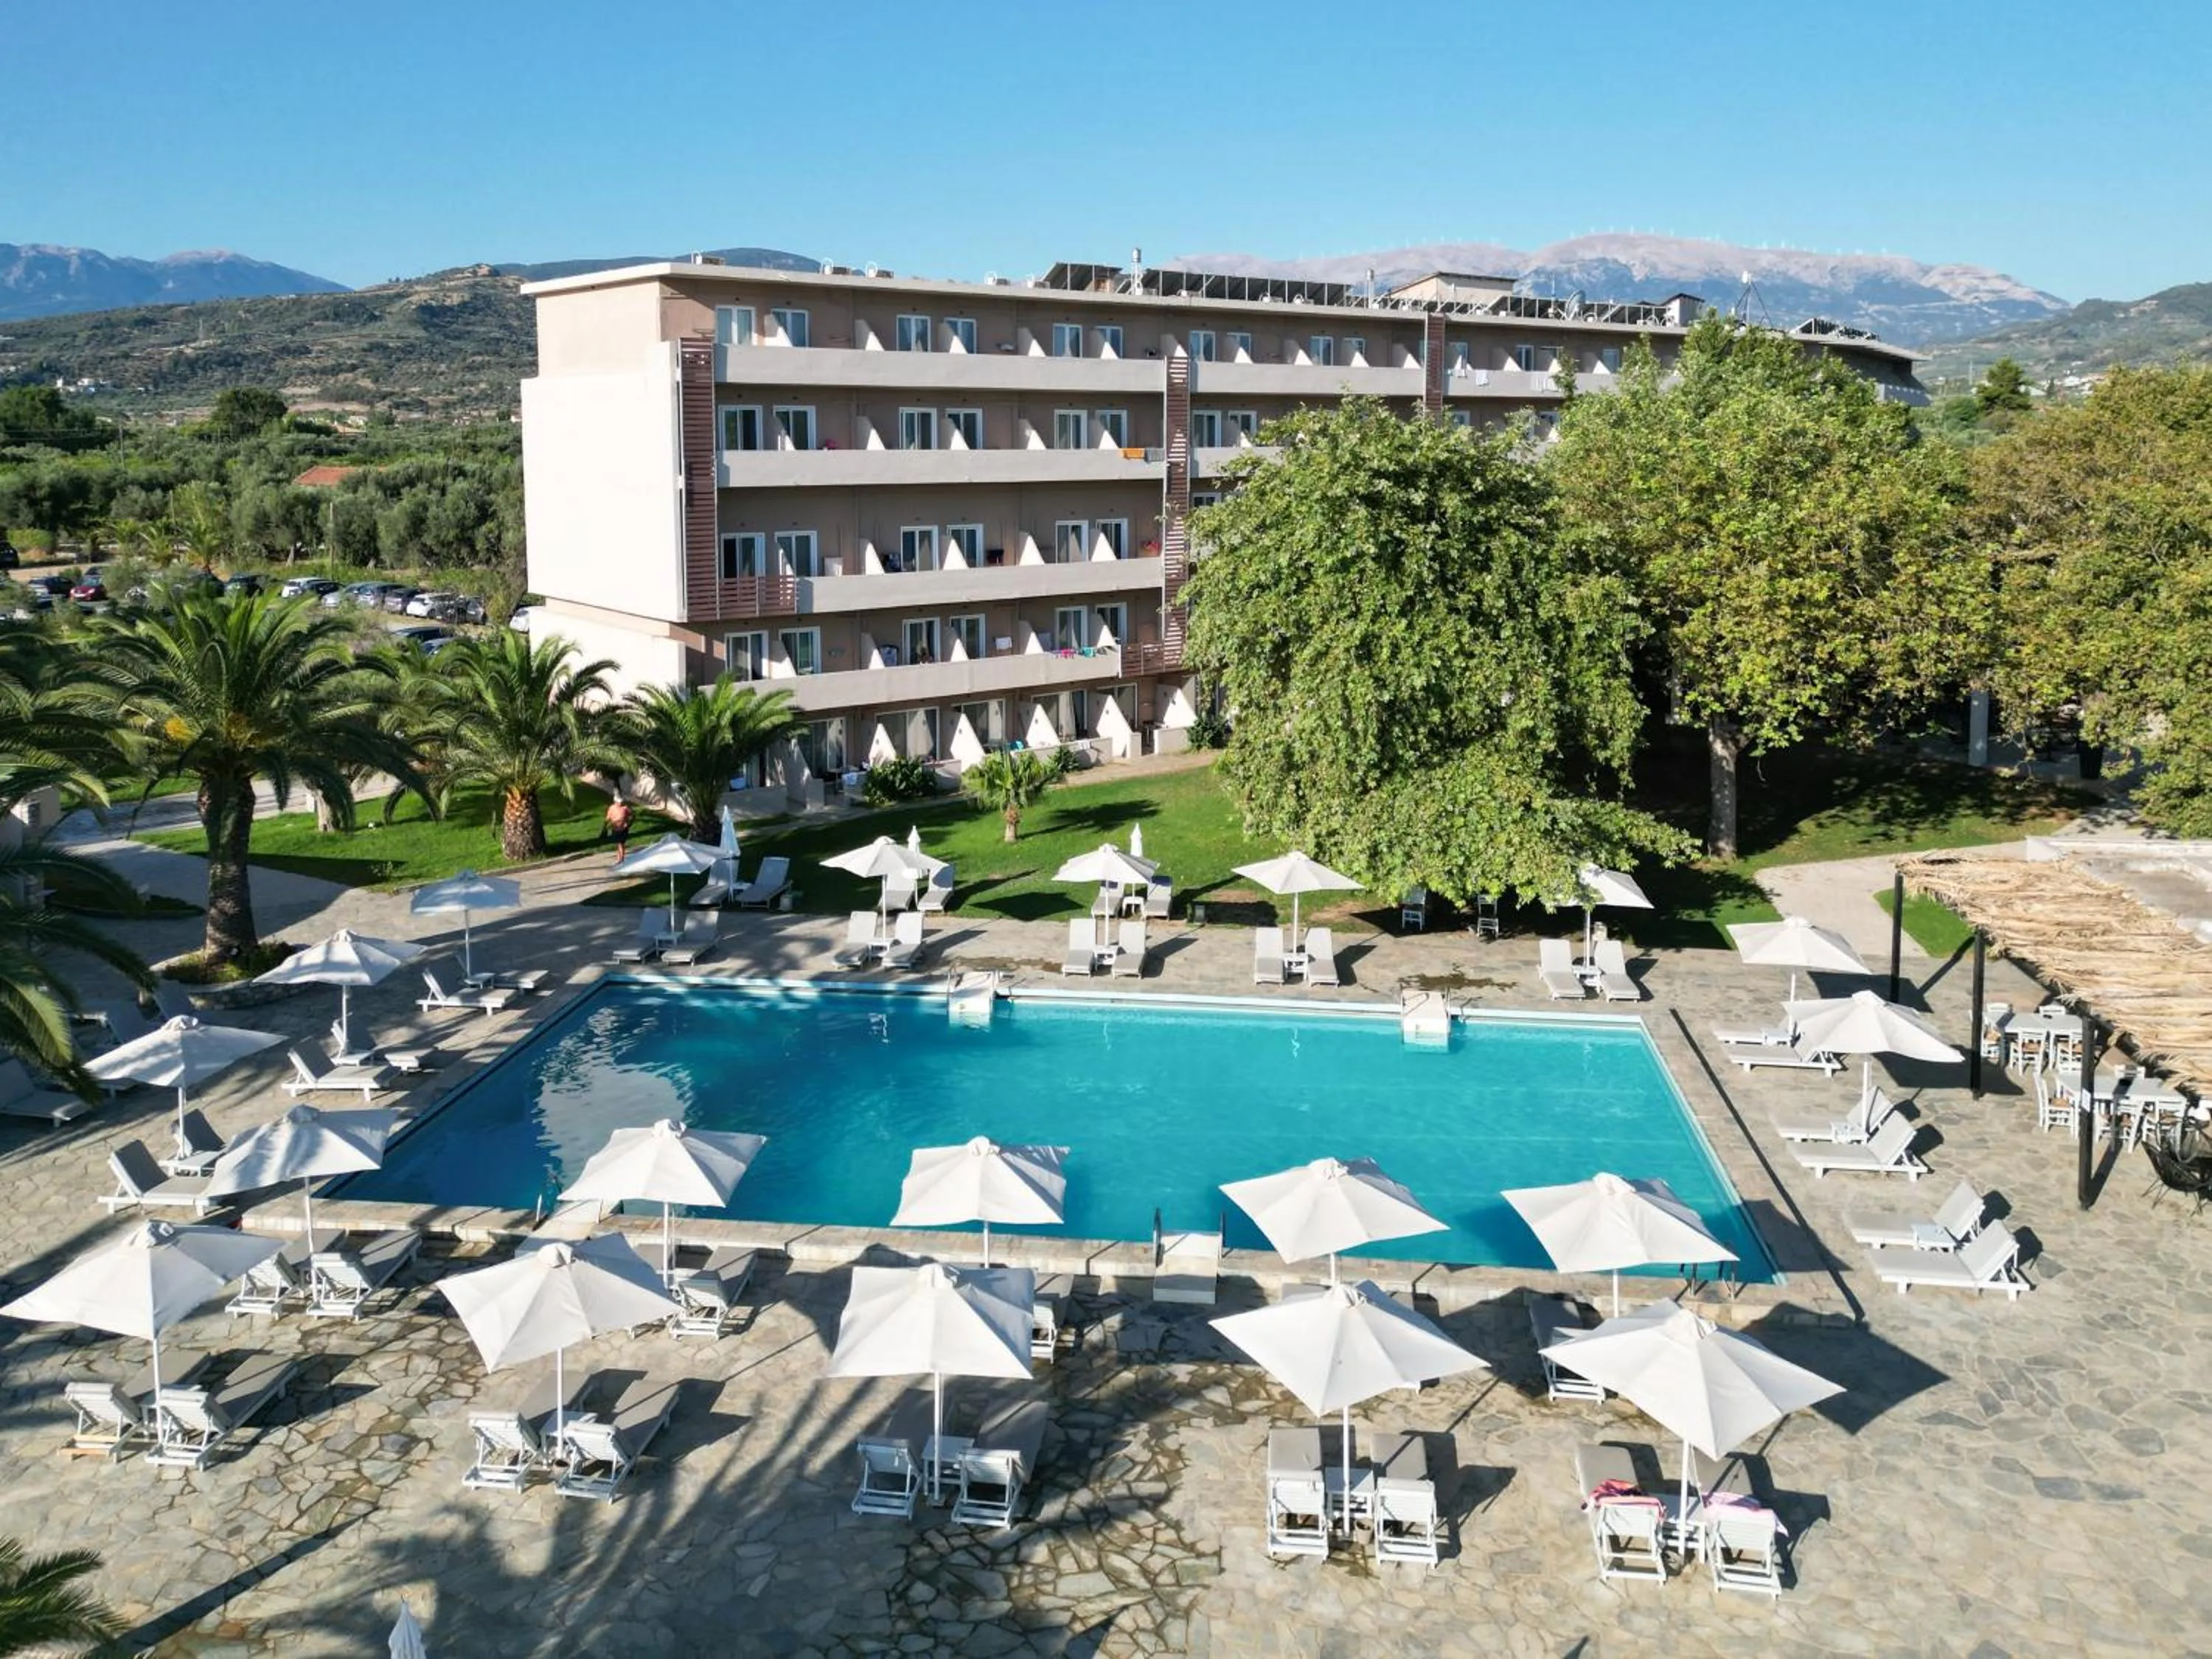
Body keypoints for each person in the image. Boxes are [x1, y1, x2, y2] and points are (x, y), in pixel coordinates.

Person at [603, 797, 634, 865]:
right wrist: (605, 827)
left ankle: (621, 860)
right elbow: (608, 818)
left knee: (621, 844)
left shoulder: (625, 808)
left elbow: (632, 816)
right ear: (615, 802)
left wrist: (629, 824)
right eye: (619, 802)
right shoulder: (612, 808)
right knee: (619, 844)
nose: (621, 803)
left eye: (621, 802)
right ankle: (619, 859)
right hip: (615, 829)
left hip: (623, 828)